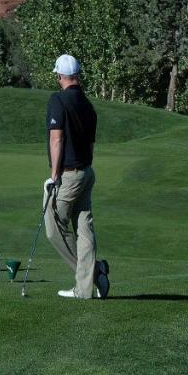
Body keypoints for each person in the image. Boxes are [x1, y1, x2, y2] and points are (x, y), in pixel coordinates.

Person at [43, 54, 110, 299]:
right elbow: (90, 146)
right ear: (77, 75)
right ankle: (84, 289)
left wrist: (54, 176)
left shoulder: (57, 101)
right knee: (84, 228)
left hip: (69, 176)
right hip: (87, 172)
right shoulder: (88, 105)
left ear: (60, 76)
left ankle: (93, 273)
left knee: (54, 226)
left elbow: (56, 138)